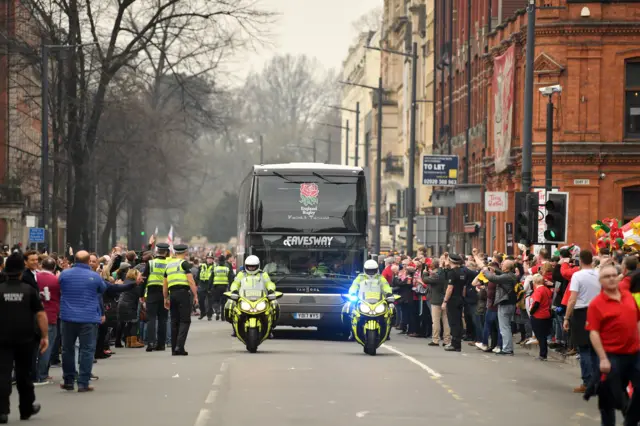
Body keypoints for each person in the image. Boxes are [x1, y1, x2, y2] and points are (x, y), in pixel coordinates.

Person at [586, 265, 640, 426]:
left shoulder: (628, 297)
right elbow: (593, 332)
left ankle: (630, 421)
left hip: (634, 352)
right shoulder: (596, 304)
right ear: (601, 281)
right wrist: (602, 358)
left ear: (618, 277)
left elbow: (637, 321)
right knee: (608, 399)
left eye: (613, 275)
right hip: (611, 355)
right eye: (606, 276)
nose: (610, 278)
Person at [0, 252, 47, 423]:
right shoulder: (28, 290)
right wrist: (45, 336)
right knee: (24, 374)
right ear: (21, 270)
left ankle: (2, 411)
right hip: (25, 338)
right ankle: (26, 408)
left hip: (2, 338)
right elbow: (41, 314)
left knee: (2, 374)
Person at [58, 250, 107, 392]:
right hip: (88, 317)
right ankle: (83, 382)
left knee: (67, 349)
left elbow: (59, 288)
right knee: (87, 350)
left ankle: (68, 380)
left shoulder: (64, 274)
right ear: (87, 261)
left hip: (68, 317)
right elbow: (102, 289)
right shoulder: (94, 276)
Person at [163, 244, 198, 356]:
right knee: (185, 320)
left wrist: (165, 298)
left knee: (174, 321)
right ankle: (180, 346)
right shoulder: (184, 264)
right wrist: (195, 295)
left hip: (172, 294)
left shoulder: (168, 266)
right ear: (185, 252)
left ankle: (174, 349)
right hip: (183, 294)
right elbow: (191, 281)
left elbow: (165, 285)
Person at [34, 257, 60, 385]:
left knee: (34, 347)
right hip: (50, 315)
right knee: (46, 347)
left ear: (41, 265)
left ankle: (33, 373)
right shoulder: (56, 280)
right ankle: (42, 374)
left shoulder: (35, 278)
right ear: (54, 268)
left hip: (34, 315)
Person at [143, 243, 170, 352]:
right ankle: (161, 344)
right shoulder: (169, 263)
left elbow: (144, 279)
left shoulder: (150, 263)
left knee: (151, 319)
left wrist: (141, 294)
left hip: (152, 293)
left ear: (157, 251)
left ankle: (150, 343)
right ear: (166, 252)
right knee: (163, 319)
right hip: (165, 294)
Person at [442, 254, 465, 352]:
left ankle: (455, 344)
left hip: (453, 299)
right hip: (460, 298)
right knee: (458, 321)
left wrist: (445, 301)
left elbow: (450, 288)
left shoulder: (452, 273)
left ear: (450, 261)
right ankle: (457, 342)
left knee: (453, 322)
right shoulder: (462, 271)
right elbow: (463, 287)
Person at [212, 255, 233, 321]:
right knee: (223, 302)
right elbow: (230, 279)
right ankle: (223, 317)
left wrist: (209, 287)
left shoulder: (215, 269)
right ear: (224, 261)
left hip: (216, 287)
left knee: (216, 301)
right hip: (224, 287)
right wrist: (231, 287)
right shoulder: (227, 269)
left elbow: (211, 278)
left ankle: (217, 311)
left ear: (218, 261)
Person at [197, 253, 215, 321]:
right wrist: (198, 283)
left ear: (213, 259)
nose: (209, 259)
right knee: (201, 300)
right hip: (202, 284)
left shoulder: (215, 267)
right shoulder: (201, 266)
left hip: (210, 284)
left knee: (210, 302)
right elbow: (198, 275)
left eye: (211, 258)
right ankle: (203, 312)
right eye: (208, 258)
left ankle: (209, 315)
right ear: (206, 259)